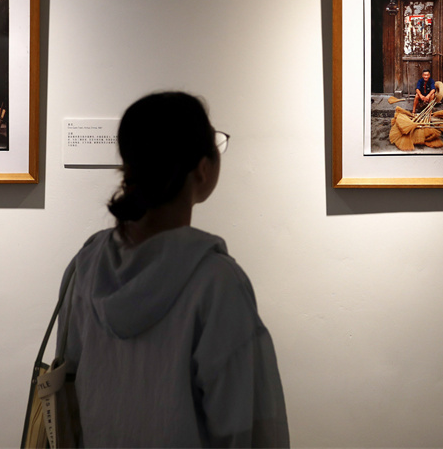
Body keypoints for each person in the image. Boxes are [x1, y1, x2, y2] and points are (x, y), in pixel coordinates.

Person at [54, 91, 289, 448]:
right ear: (203, 168)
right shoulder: (217, 283)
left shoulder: (86, 265)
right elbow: (248, 426)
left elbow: (68, 390)